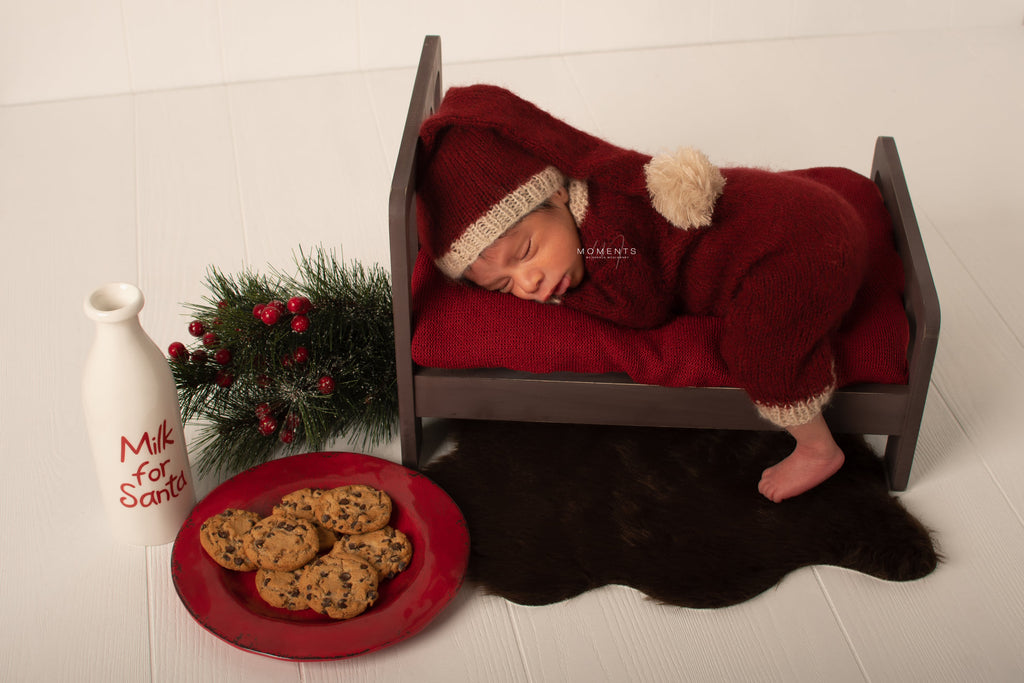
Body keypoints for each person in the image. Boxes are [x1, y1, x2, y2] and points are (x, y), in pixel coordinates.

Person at [416, 84, 883, 503]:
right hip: (817, 216)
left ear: (557, 194)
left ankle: (819, 450)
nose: (529, 281)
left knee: (761, 352)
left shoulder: (609, 238)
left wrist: (569, 297)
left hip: (797, 252)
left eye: (528, 252)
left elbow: (644, 310)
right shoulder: (586, 204)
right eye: (504, 286)